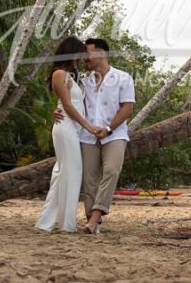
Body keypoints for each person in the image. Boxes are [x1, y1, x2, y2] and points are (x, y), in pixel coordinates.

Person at [53, 37, 135, 234]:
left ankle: (96, 216)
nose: (84, 57)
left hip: (114, 135)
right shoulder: (82, 80)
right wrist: (55, 111)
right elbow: (68, 100)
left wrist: (108, 128)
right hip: (87, 136)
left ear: (101, 53)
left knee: (112, 170)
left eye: (87, 53)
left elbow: (127, 108)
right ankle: (92, 221)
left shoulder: (123, 78)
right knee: (89, 181)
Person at [35, 37, 105, 233]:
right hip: (66, 127)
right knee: (71, 172)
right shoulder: (59, 74)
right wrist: (89, 126)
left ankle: (47, 222)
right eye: (81, 52)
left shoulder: (74, 76)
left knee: (63, 173)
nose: (84, 56)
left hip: (74, 129)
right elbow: (67, 105)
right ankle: (65, 224)